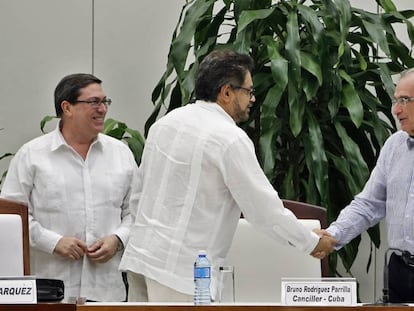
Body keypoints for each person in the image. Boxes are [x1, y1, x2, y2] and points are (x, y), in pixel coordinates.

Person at [119, 49, 337, 302]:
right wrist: (310, 242)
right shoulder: (228, 138)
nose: (252, 99)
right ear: (226, 92)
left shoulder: (165, 124)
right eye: (248, 91)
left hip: (141, 261)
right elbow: (264, 210)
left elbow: (139, 194)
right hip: (182, 275)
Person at [0, 73, 139, 301]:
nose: (103, 109)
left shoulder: (121, 154)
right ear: (67, 107)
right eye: (94, 102)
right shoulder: (32, 155)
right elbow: (12, 218)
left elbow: (136, 212)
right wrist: (53, 243)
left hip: (106, 292)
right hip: (50, 291)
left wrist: (118, 239)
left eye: (105, 102)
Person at [322, 68, 414, 303]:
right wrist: (333, 235)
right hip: (400, 270)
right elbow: (369, 204)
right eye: (395, 101)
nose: (396, 110)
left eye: (404, 100)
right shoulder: (394, 146)